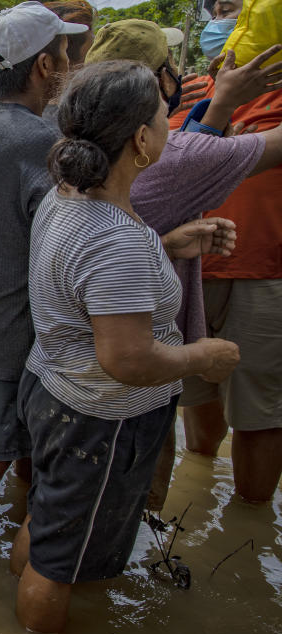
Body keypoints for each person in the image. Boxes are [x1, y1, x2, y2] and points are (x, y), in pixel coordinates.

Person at [11, 60, 239, 634]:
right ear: (141, 139)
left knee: (50, 520)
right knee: (58, 563)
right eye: (166, 117)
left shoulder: (66, 196)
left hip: (53, 389)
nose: (171, 126)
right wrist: (202, 356)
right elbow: (128, 360)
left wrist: (169, 247)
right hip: (99, 421)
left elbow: (87, 283)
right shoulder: (117, 241)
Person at [83, 18, 282, 509]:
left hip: (243, 270)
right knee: (177, 402)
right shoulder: (178, 116)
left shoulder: (77, 156)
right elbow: (189, 159)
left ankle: (224, 514)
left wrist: (220, 104)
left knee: (248, 408)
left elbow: (189, 153)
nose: (228, 25)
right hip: (183, 279)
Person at [0, 1, 86, 531]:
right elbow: (67, 243)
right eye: (65, 51)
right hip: (6, 334)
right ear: (45, 67)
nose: (71, 61)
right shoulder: (39, 141)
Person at [172, 0, 282, 503]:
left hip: (262, 271)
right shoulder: (195, 94)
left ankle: (249, 522)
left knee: (260, 408)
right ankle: (200, 487)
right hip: (188, 264)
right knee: (193, 390)